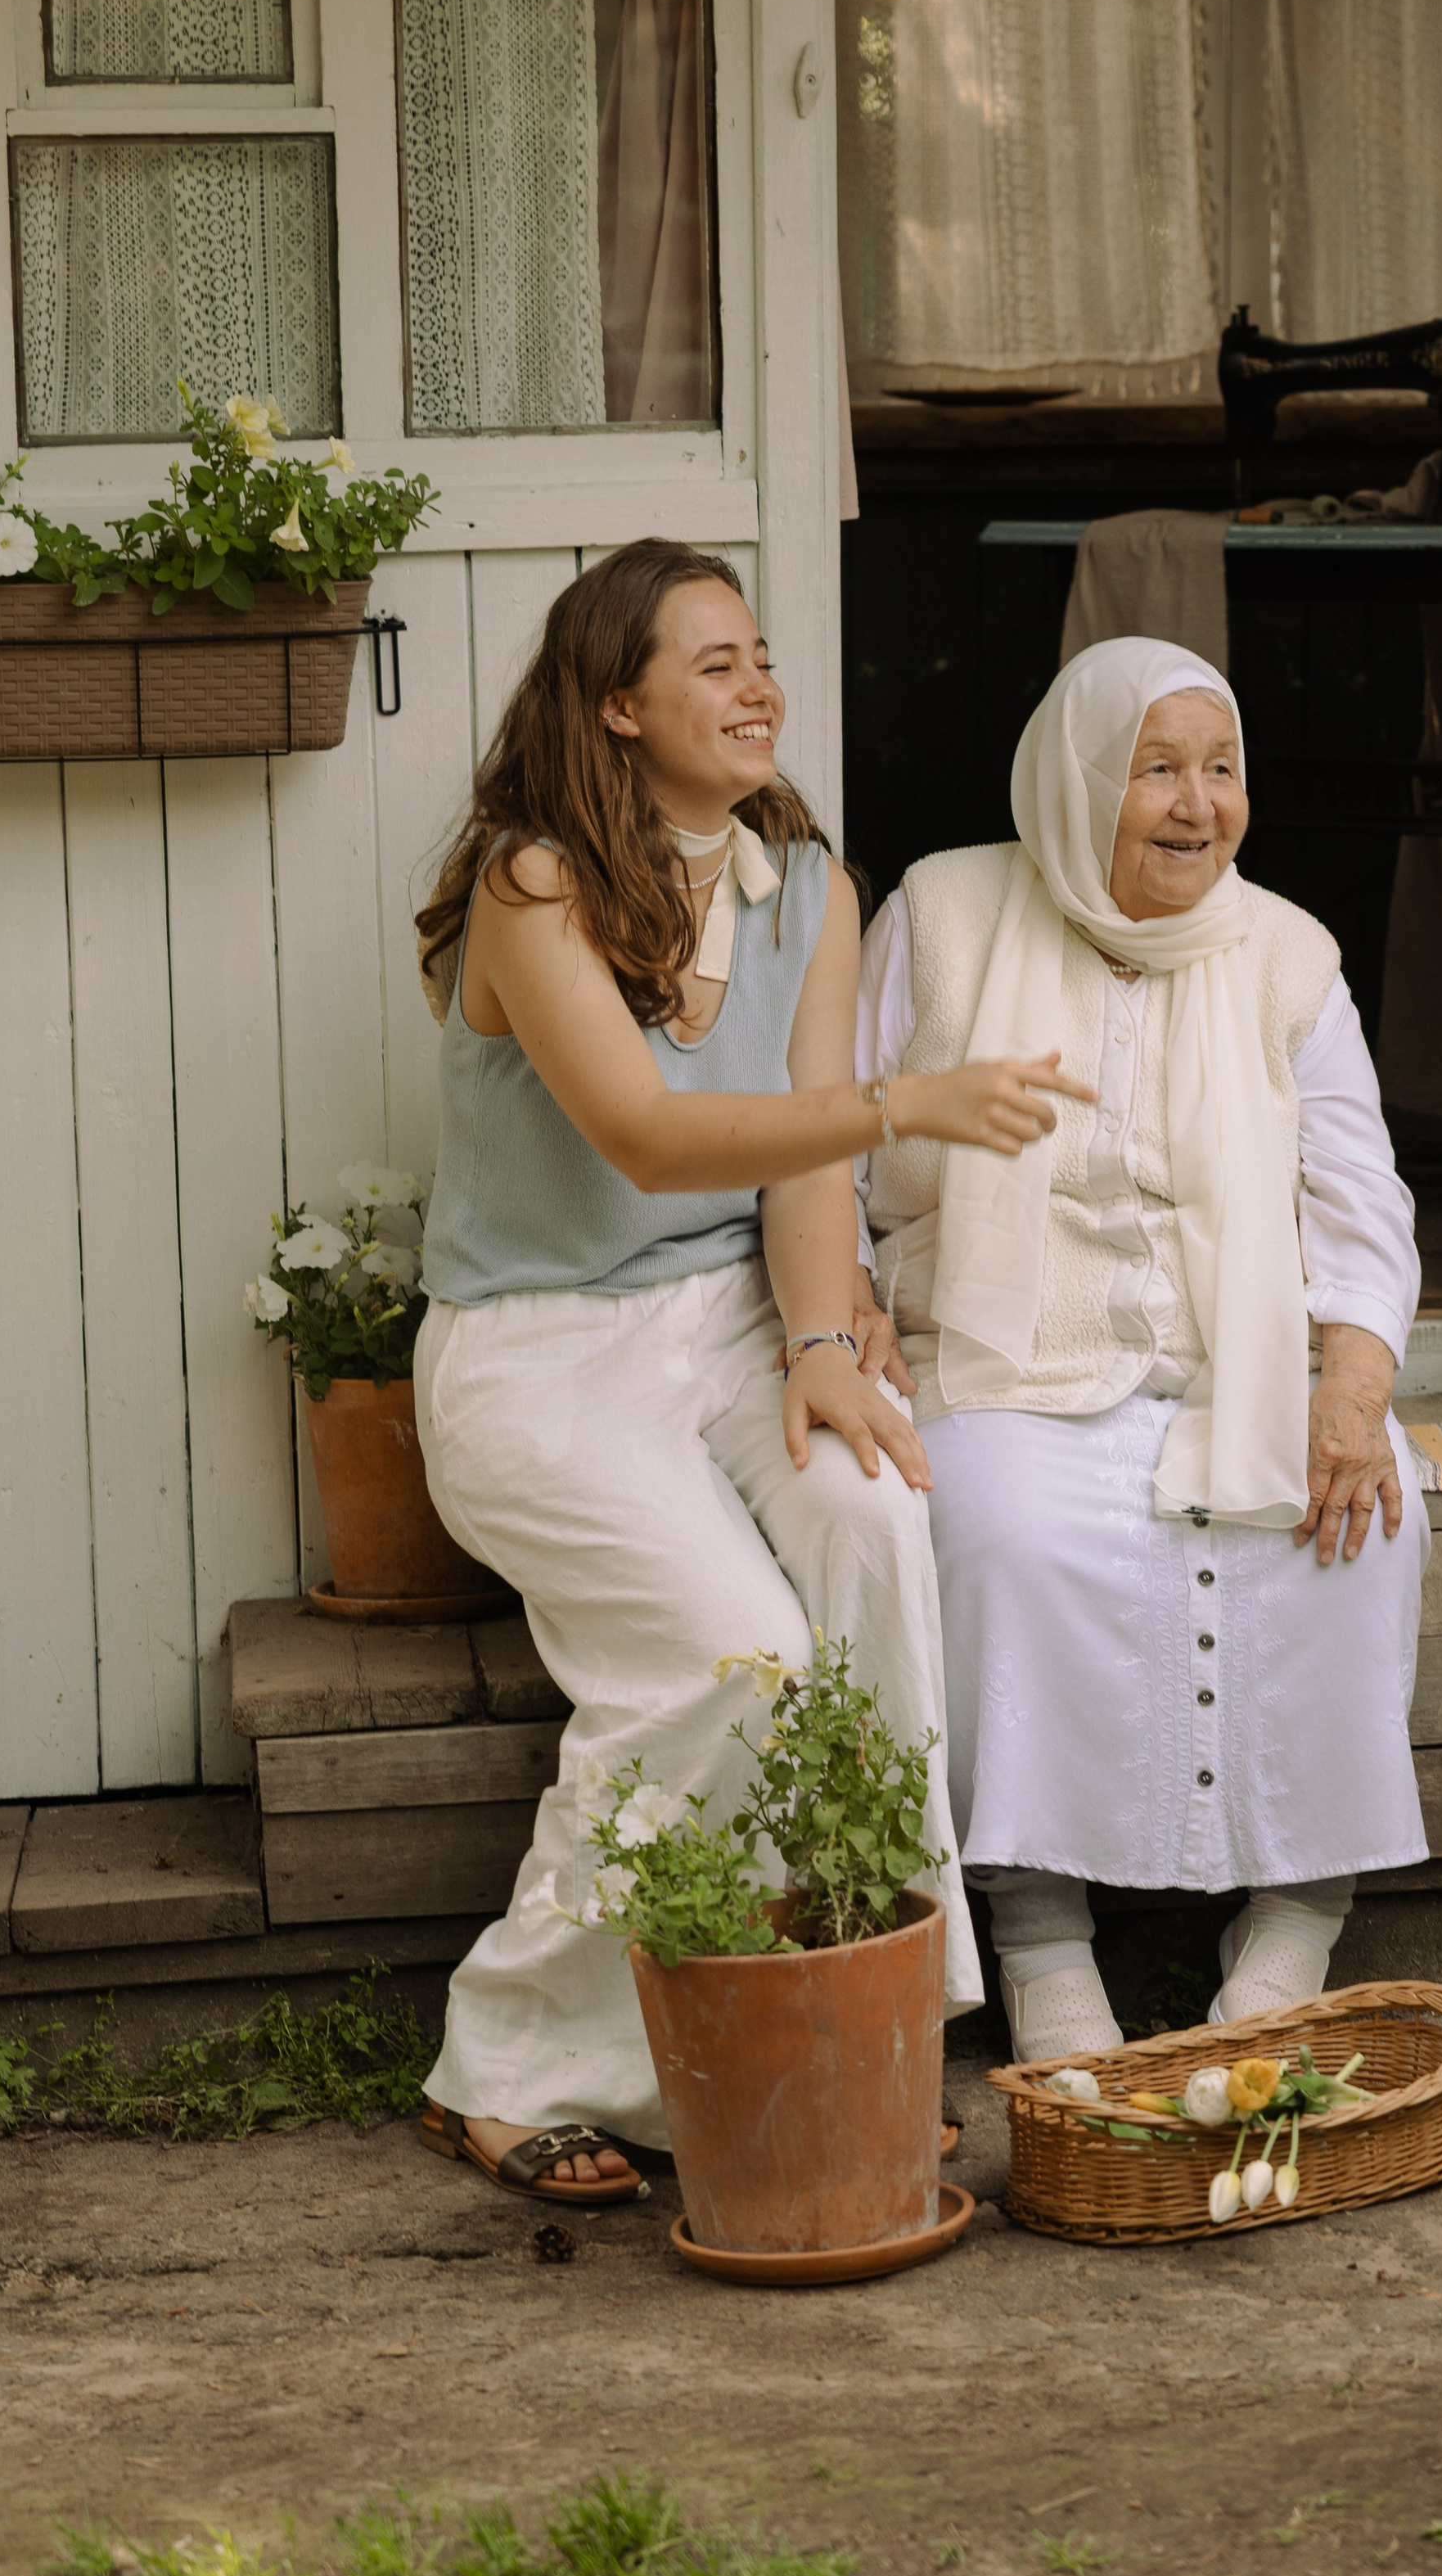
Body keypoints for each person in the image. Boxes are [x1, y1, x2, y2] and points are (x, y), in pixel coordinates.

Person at [407, 540, 1085, 2203]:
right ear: (616, 704)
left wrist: (817, 1342)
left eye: (760, 653)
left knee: (872, 1523)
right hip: (537, 1357)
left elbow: (793, 1186)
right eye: (711, 662)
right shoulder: (532, 882)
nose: (757, 683)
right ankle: (507, 2060)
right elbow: (645, 1139)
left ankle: (865, 2016)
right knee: (735, 1659)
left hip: (726, 1323)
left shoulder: (804, 880)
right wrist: (902, 1105)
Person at [858, 636, 1428, 2063]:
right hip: (1000, 1356)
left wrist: (1351, 1387)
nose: (1197, 805)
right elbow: (842, 1136)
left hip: (1240, 1364)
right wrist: (849, 1297)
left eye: (1220, 769)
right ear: (1079, 781)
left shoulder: (1288, 954)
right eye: (1156, 770)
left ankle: (1297, 1918)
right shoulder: (943, 915)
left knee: (1356, 1518)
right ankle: (1042, 1933)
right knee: (995, 1532)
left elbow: (1362, 1200)